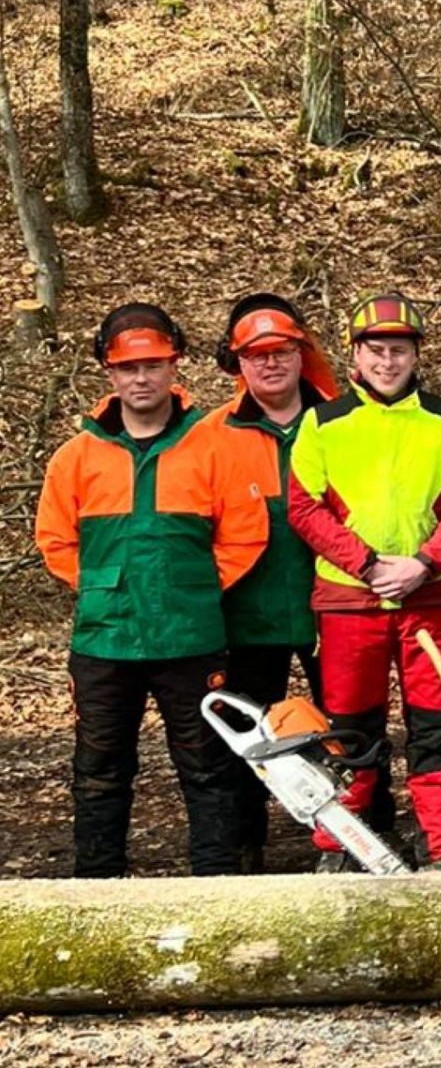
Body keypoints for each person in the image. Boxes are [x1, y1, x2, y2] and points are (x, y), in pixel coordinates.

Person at [35, 304, 267, 877]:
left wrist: (188, 588)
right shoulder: (76, 457)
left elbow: (245, 533)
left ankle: (215, 883)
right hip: (104, 642)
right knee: (98, 768)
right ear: (110, 373)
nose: (142, 378)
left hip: (191, 638)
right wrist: (103, 591)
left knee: (208, 768)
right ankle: (97, 883)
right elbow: (55, 539)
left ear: (174, 366)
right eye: (129, 367)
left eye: (154, 365)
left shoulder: (214, 448)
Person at [287, 293, 441, 870]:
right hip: (351, 599)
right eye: (375, 350)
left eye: (398, 350)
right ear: (355, 354)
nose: (387, 361)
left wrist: (423, 563)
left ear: (415, 355)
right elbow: (304, 508)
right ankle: (345, 843)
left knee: (437, 723)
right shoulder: (323, 422)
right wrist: (369, 565)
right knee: (349, 726)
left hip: (433, 595)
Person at [203, 293, 342, 868]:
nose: (270, 364)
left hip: (331, 608)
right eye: (255, 355)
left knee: (345, 730)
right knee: (242, 740)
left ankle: (354, 839)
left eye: (282, 351)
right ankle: (242, 854)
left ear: (301, 353)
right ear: (237, 362)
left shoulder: (342, 420)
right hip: (246, 612)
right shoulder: (210, 434)